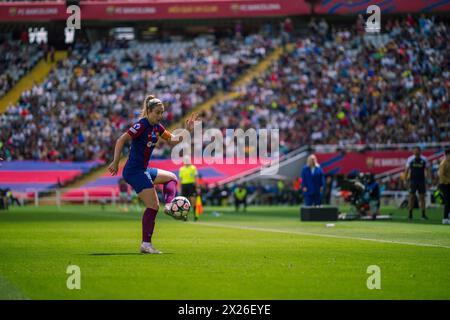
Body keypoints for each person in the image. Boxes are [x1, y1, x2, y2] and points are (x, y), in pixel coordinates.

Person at [109, 94, 198, 254]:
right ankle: (146, 244)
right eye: (157, 112)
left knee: (171, 178)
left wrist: (187, 131)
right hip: (134, 171)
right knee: (154, 206)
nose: (160, 116)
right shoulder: (141, 125)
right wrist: (115, 161)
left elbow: (173, 140)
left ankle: (170, 205)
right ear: (149, 111)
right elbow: (121, 140)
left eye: (161, 113)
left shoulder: (158, 128)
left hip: (143, 170)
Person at [404, 147, 430, 221]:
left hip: (422, 181)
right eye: (414, 151)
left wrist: (428, 180)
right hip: (413, 181)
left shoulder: (424, 159)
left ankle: (423, 215)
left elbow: (428, 170)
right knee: (411, 197)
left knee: (422, 198)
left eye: (417, 151)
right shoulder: (410, 159)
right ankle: (410, 215)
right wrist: (405, 180)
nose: (416, 152)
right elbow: (406, 170)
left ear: (420, 151)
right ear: (413, 151)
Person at [179, 156, 198, 221]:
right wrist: (179, 187)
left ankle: (195, 215)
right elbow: (180, 179)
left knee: (193, 200)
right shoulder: (181, 169)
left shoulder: (193, 168)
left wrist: (197, 186)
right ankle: (185, 216)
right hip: (184, 185)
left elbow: (196, 178)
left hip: (191, 185)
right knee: (185, 201)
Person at [438, 149, 450, 225]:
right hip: (444, 184)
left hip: (448, 184)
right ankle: (445, 219)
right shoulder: (443, 163)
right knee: (447, 201)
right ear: (447, 155)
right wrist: (449, 180)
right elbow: (441, 175)